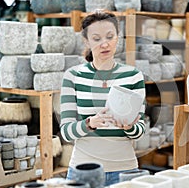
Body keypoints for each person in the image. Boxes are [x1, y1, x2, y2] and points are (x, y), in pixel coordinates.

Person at [60, 10, 146, 186]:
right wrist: (89, 123)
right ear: (86, 41)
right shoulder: (73, 76)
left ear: (118, 37)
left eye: (109, 37)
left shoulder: (133, 76)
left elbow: (140, 130)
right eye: (97, 39)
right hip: (82, 170)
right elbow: (66, 132)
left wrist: (129, 127)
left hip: (125, 169)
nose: (104, 44)